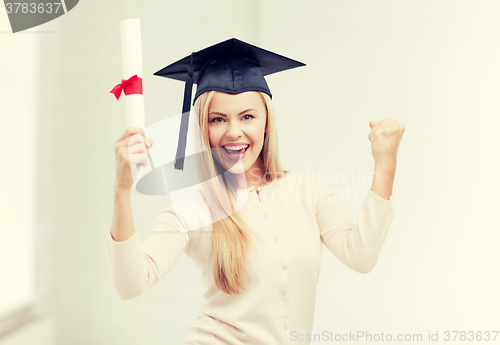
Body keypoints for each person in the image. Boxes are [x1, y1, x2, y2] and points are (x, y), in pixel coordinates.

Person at [108, 38, 405, 345]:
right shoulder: (195, 205)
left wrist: (385, 164)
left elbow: (361, 255)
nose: (234, 132)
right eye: (218, 119)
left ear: (266, 122)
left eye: (247, 116)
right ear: (202, 128)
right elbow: (131, 283)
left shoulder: (305, 189)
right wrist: (122, 188)